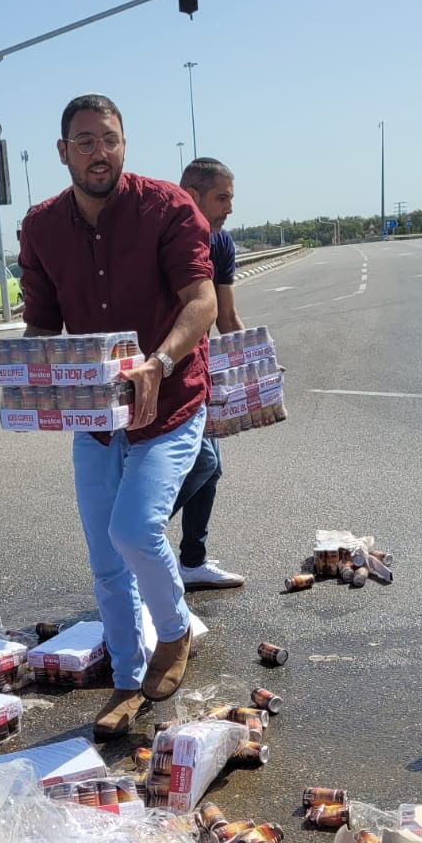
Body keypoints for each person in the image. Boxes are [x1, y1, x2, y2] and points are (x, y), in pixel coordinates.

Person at [19, 94, 217, 739]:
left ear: (124, 144)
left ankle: (177, 628)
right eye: (83, 141)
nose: (97, 153)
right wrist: (29, 377)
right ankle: (128, 680)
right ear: (63, 152)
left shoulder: (167, 207)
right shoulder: (42, 226)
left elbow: (202, 301)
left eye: (108, 140)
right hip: (96, 416)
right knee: (104, 558)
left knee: (134, 530)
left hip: (169, 400)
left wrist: (158, 362)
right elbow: (43, 327)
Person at [172, 158, 246, 589]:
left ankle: (192, 561)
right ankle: (133, 544)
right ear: (193, 195)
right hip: (163, 370)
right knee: (204, 459)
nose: (230, 208)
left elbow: (227, 318)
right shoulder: (162, 235)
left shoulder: (220, 244)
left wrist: (256, 365)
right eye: (222, 198)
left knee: (211, 467)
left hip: (203, 371)